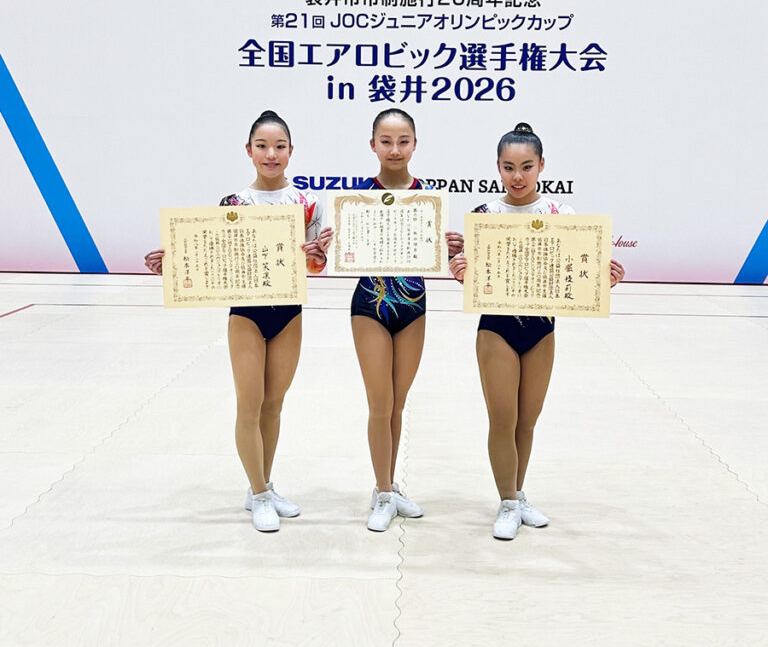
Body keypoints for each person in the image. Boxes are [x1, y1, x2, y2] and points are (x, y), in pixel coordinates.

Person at [144, 109, 332, 533]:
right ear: (249, 151)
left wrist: (318, 256)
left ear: (291, 151)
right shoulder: (234, 204)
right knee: (249, 404)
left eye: (279, 147)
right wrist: (173, 264)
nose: (271, 154)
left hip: (288, 312)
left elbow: (313, 267)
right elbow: (214, 258)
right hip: (246, 314)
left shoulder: (307, 203)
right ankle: (260, 496)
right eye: (262, 146)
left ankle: (261, 485)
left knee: (274, 404)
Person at [448, 122, 625, 541]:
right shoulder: (485, 216)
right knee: (503, 419)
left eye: (526, 166)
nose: (518, 176)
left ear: (542, 165)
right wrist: (461, 271)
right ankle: (507, 502)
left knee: (527, 421)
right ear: (497, 167)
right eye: (509, 167)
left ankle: (518, 492)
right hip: (497, 329)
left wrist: (605, 280)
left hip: (542, 330)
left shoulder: (561, 216)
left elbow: (580, 274)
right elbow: (475, 276)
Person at [349, 108, 462, 532]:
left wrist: (452, 248)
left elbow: (437, 255)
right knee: (380, 404)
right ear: (373, 144)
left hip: (413, 306)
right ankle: (381, 492)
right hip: (369, 306)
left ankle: (391, 487)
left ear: (415, 145)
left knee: (398, 403)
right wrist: (330, 242)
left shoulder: (428, 198)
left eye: (403, 141)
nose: (394, 150)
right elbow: (338, 255)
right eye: (386, 141)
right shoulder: (355, 199)